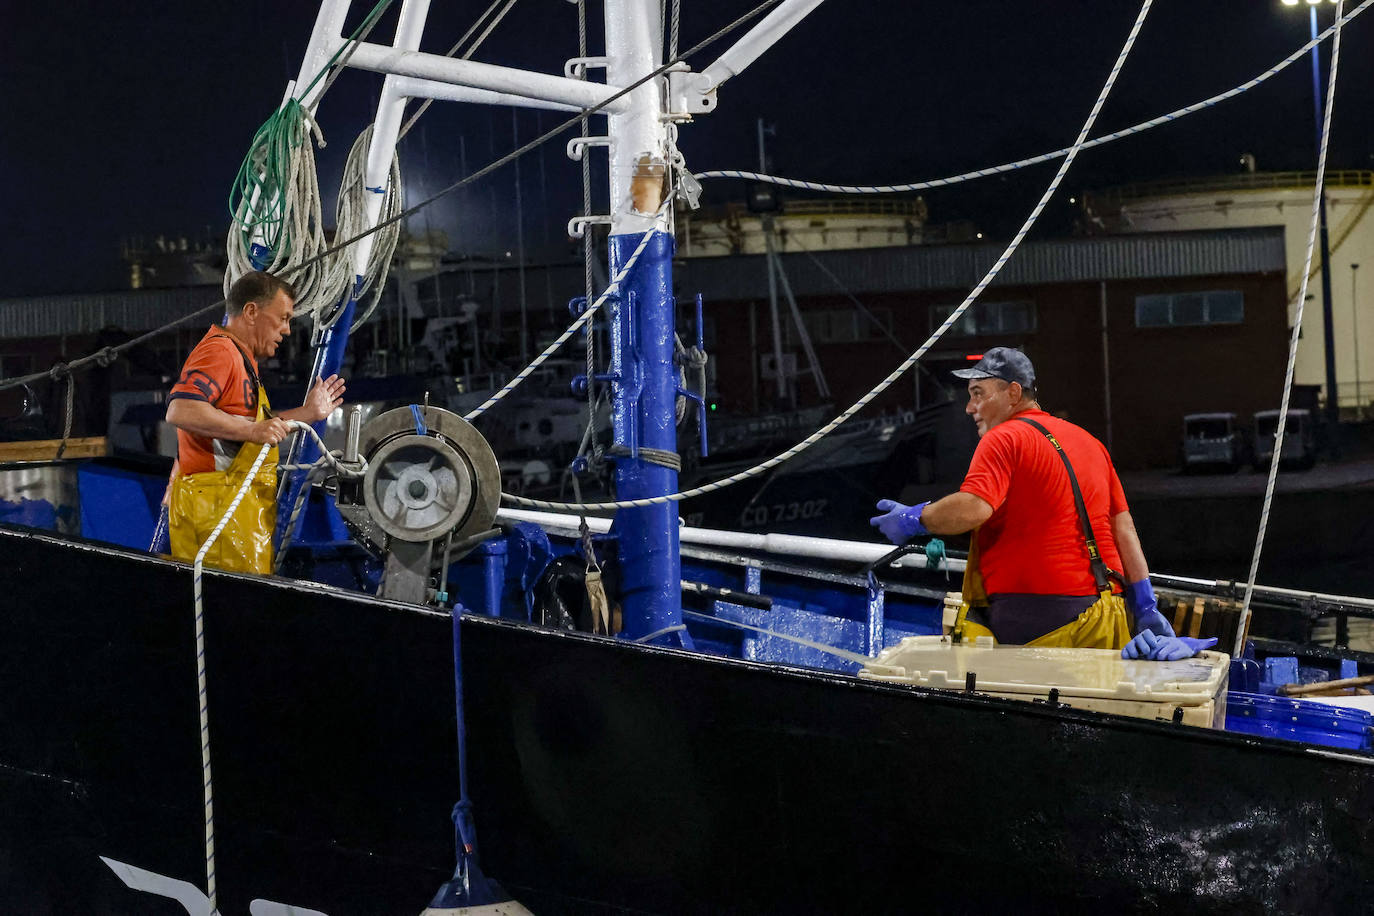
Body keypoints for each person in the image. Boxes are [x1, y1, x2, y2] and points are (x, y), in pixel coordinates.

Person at [870, 347, 1214, 660]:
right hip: (1110, 618)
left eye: (978, 394)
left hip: (1046, 624)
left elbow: (974, 506)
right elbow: (1123, 530)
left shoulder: (1002, 438)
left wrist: (914, 518)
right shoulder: (1091, 442)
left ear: (1013, 393)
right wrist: (1145, 606)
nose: (969, 408)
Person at [163, 271, 346, 573]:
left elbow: (255, 430)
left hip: (232, 519)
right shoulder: (221, 351)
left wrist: (308, 412)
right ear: (251, 311)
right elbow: (181, 410)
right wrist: (253, 429)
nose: (286, 330)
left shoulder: (240, 359)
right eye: (283, 317)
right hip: (220, 521)